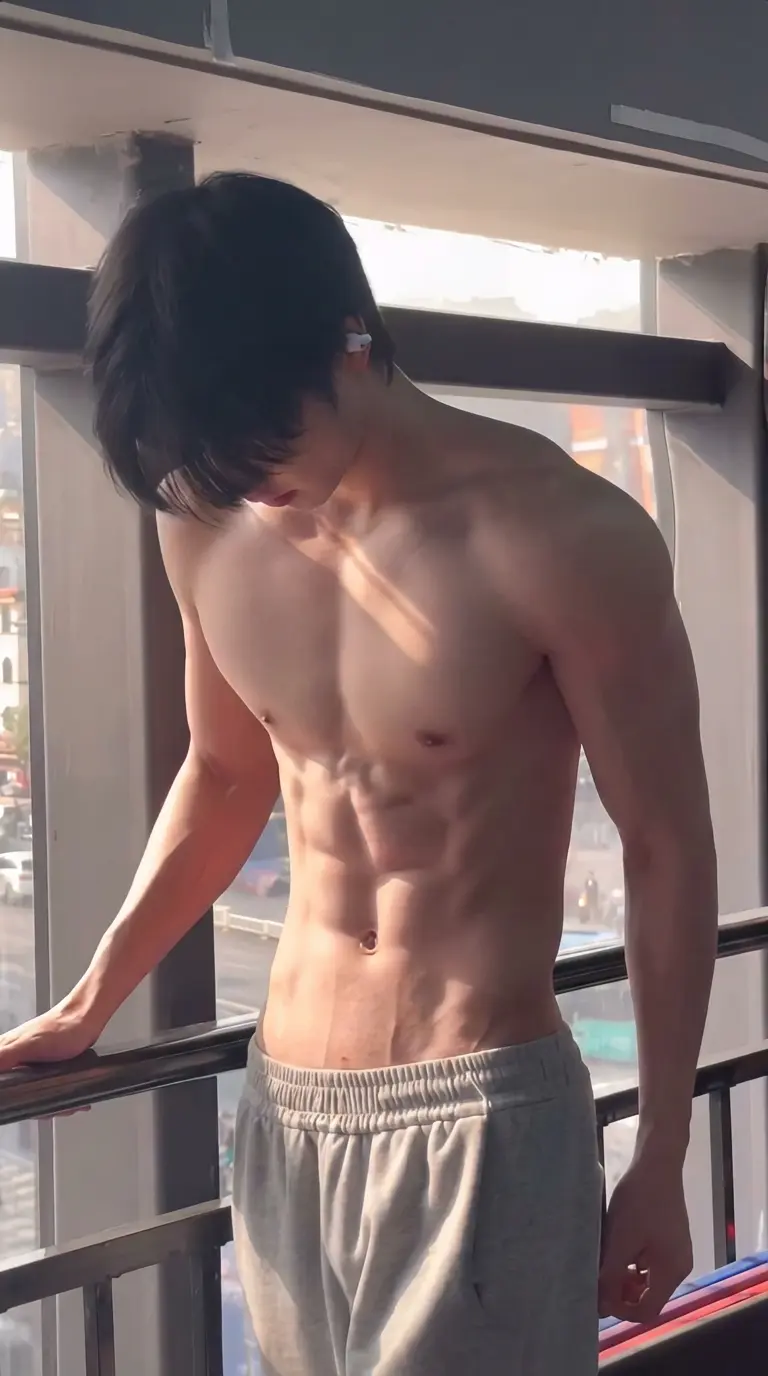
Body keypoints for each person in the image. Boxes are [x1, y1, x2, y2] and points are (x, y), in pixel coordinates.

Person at [0, 173, 718, 1374]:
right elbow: (226, 772)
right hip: (284, 1103)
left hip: (480, 1107)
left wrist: (661, 1149)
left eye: (257, 438)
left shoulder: (563, 534)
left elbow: (664, 846)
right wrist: (94, 995)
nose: (242, 480)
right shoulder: (205, 520)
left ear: (349, 340)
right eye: (205, 453)